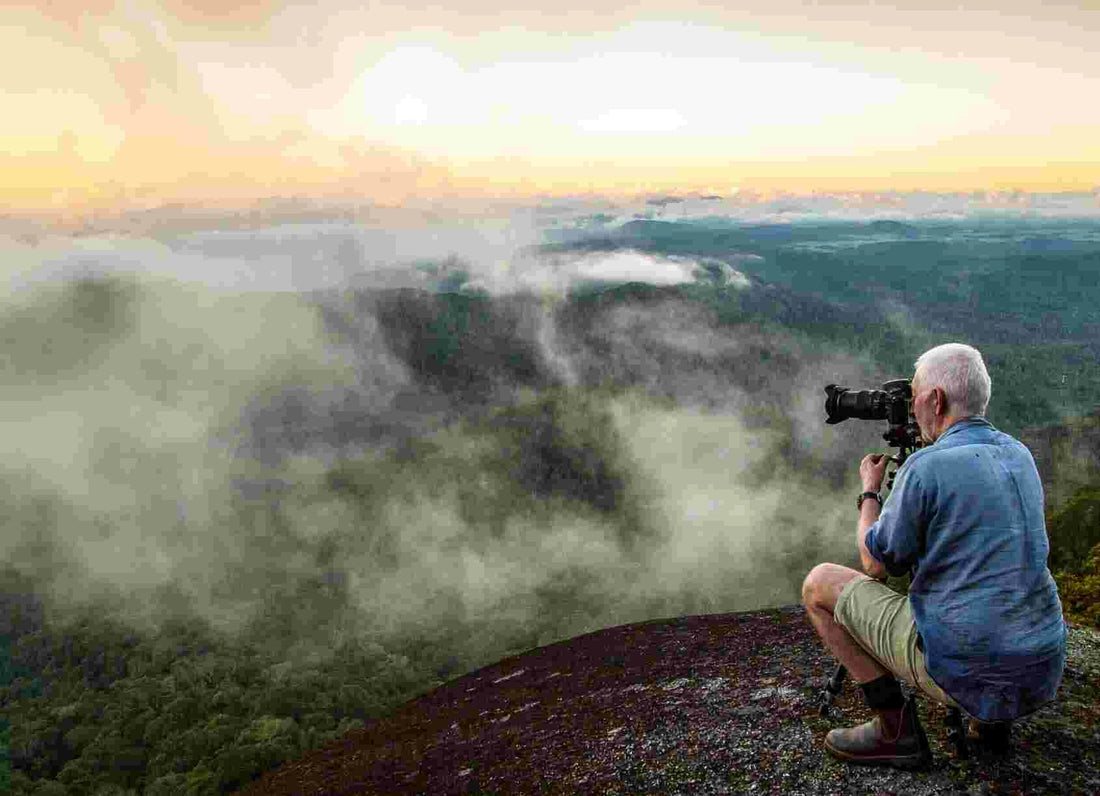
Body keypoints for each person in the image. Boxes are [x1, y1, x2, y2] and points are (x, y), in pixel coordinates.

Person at [802, 342, 1066, 768]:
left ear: (936, 400)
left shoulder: (924, 468)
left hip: (968, 670)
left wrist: (870, 489)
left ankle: (894, 729)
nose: (912, 407)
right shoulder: (1020, 453)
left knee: (819, 584)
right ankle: (992, 723)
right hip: (1041, 668)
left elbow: (876, 564)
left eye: (916, 395)